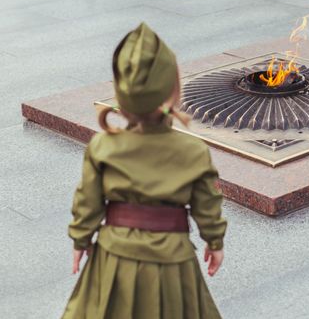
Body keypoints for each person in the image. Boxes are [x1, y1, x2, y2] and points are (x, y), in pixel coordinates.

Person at [61, 22, 227, 319]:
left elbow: (88, 201)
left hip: (114, 256)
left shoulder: (103, 146)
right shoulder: (193, 152)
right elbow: (207, 205)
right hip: (172, 262)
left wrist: (81, 239)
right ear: (173, 94)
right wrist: (214, 242)